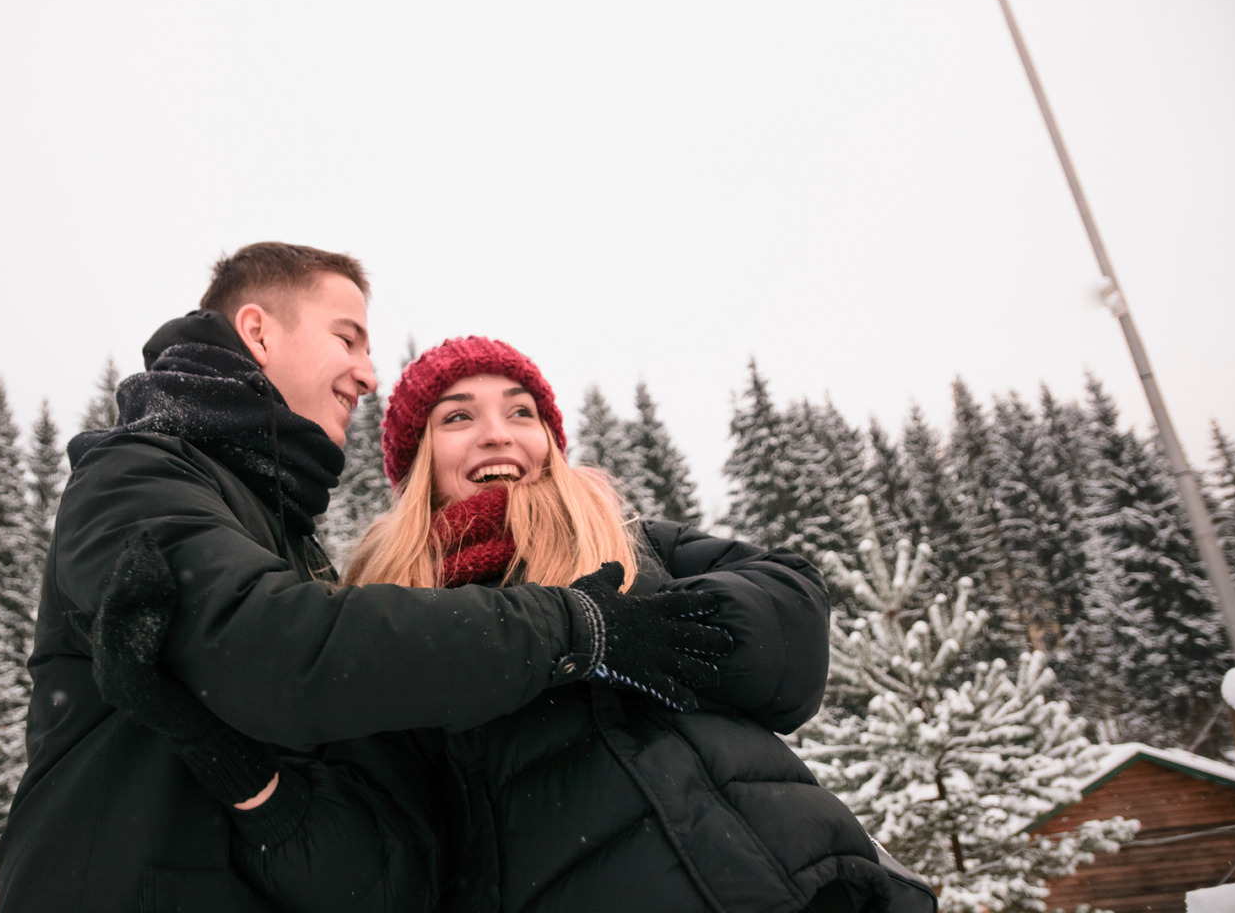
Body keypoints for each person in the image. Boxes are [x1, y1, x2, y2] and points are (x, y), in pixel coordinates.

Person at [0, 244, 733, 912]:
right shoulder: (138, 474)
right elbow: (273, 651)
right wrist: (575, 628)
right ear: (258, 331)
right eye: (346, 337)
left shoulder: (287, 539)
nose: (368, 374)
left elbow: (378, 869)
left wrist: (253, 782)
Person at [91, 336, 937, 913]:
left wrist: (635, 628)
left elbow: (791, 627)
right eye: (457, 417)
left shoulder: (641, 543)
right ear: (419, 459)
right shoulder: (396, 626)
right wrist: (220, 750)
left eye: (521, 410)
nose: (498, 434)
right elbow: (380, 875)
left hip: (801, 888)